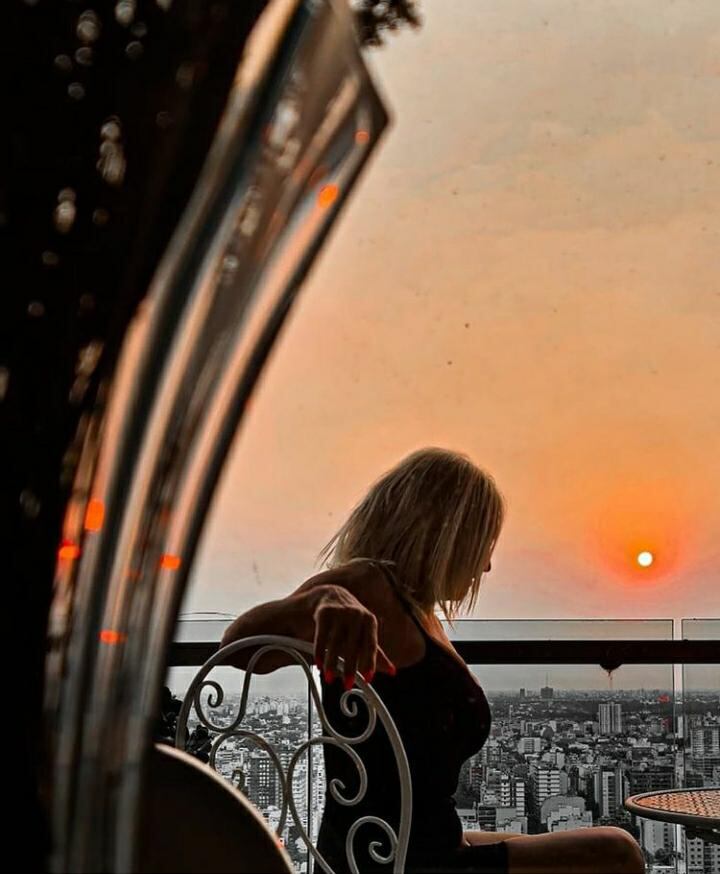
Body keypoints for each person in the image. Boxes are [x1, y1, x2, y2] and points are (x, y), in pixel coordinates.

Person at [221, 448, 644, 874]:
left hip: (413, 846)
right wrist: (317, 600)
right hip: (403, 860)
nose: (488, 565)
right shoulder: (369, 585)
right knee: (617, 851)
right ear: (447, 535)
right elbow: (238, 646)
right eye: (484, 545)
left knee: (576, 847)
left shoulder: (418, 613)